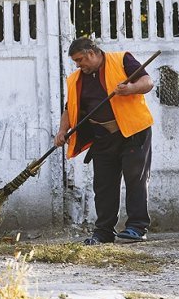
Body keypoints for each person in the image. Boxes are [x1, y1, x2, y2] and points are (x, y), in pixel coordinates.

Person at [54, 37, 154, 245]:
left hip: (133, 132)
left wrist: (130, 89)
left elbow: (147, 82)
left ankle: (136, 228)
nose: (78, 65)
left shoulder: (122, 60)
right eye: (76, 62)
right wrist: (62, 131)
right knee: (104, 184)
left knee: (135, 179)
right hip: (102, 137)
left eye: (80, 60)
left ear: (92, 53)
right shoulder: (76, 79)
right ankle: (104, 232)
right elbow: (69, 108)